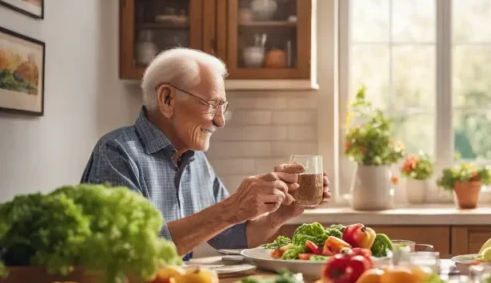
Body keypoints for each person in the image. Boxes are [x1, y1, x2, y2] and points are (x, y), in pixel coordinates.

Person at [81, 48, 330, 258]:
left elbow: (231, 236)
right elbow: (129, 253)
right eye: (212, 105)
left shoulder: (194, 158)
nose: (220, 121)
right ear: (167, 99)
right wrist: (232, 208)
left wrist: (277, 216)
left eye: (223, 107)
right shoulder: (117, 153)